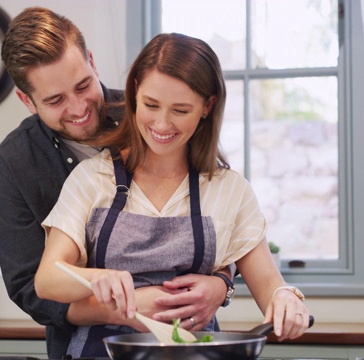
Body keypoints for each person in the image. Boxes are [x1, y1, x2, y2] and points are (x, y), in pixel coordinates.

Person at [35, 32, 311, 357]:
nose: (162, 124)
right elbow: (48, 278)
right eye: (151, 105)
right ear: (135, 90)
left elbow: (269, 284)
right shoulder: (92, 178)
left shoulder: (229, 190)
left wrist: (287, 297)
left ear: (207, 106)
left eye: (180, 110)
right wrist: (95, 278)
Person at [0, 7, 233, 359]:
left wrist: (220, 283)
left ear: (91, 61)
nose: (78, 108)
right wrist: (126, 309)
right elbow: (32, 289)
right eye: (55, 100)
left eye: (83, 85)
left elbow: (223, 215)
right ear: (26, 100)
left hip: (186, 344)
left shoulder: (154, 117)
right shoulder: (13, 164)